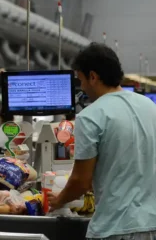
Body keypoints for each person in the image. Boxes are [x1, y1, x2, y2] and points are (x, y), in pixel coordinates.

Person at [48, 43, 156, 240]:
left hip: (114, 228)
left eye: (81, 80)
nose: (82, 88)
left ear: (93, 77)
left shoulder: (91, 116)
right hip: (151, 224)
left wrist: (58, 201)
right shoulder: (149, 106)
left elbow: (81, 181)